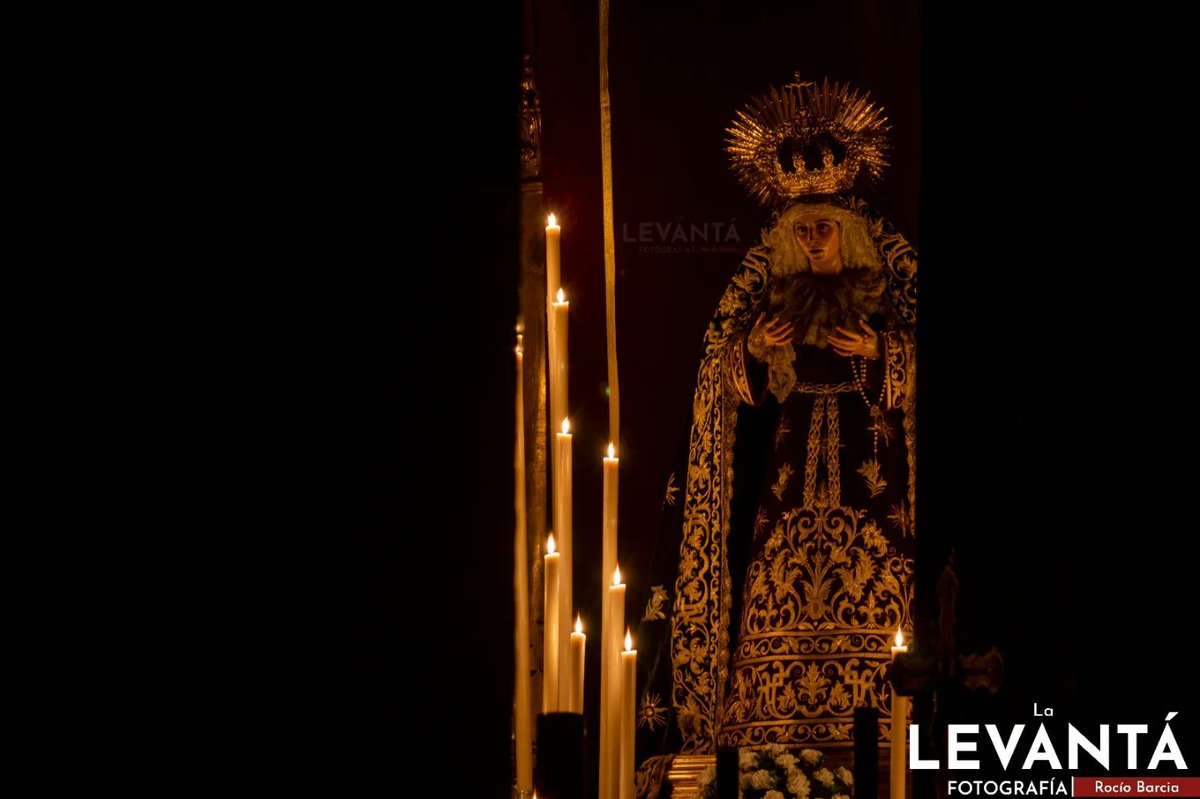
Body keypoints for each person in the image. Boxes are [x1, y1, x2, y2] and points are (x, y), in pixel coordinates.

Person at [633, 78, 917, 796]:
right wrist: (753, 353)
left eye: (824, 227)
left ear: (848, 229)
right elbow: (721, 386)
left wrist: (885, 353)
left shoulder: (889, 290)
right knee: (775, 592)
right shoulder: (770, 296)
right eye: (802, 230)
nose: (813, 241)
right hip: (786, 484)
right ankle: (769, 727)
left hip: (872, 479)